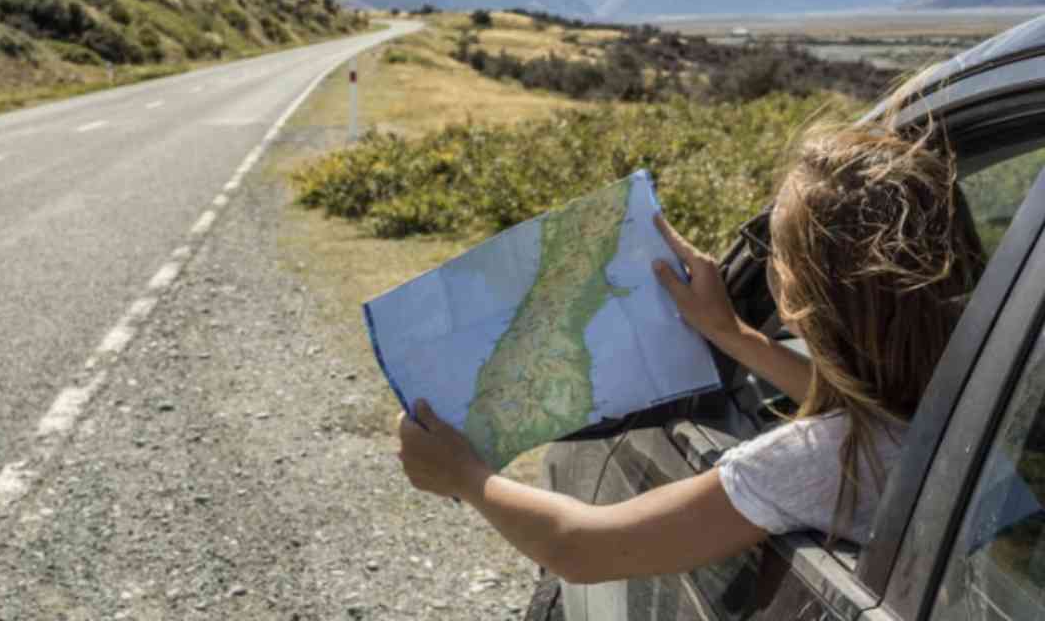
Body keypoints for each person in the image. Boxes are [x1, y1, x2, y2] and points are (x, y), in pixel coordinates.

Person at [395, 118, 985, 585]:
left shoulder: (821, 461)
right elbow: (873, 412)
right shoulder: (979, 393)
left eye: (775, 255)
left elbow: (581, 547)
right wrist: (731, 334)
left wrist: (466, 476)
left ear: (803, 298)